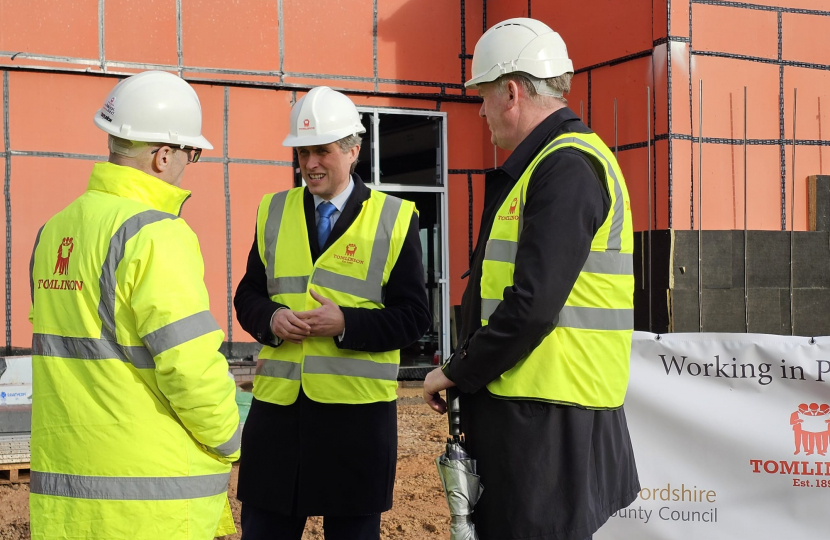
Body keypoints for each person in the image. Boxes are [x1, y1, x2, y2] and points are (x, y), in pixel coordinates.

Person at [423, 18, 640, 540]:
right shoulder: (551, 164)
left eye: (483, 97)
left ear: (512, 93)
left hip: (549, 421)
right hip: (543, 412)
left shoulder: (564, 167)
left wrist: (459, 370)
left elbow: (532, 305)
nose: (481, 112)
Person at [28, 70, 240, 540]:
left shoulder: (54, 232)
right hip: (149, 504)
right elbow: (189, 367)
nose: (189, 163)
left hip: (66, 500)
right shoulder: (156, 233)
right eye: (192, 153)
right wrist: (228, 439)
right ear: (164, 155)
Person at [234, 86, 431, 540]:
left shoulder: (395, 218)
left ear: (353, 150)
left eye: (321, 151)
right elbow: (248, 292)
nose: (309, 164)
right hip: (279, 419)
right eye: (302, 153)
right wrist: (270, 319)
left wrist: (346, 324)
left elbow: (414, 316)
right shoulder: (273, 210)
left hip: (355, 424)